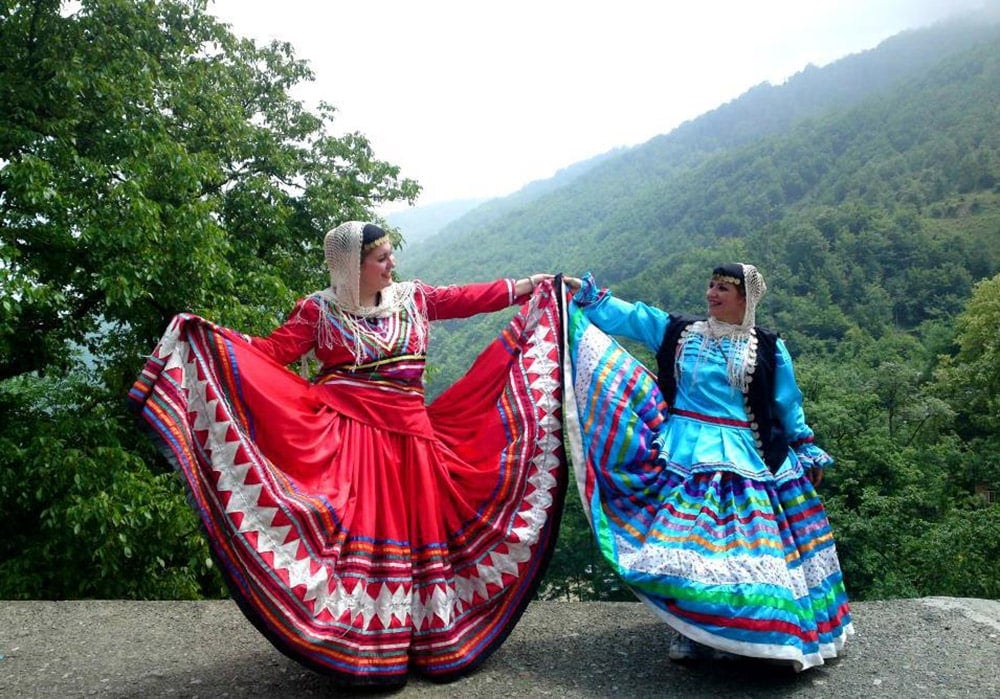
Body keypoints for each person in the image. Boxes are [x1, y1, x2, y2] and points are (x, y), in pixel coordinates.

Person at [129, 221, 567, 688]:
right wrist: (216, 345)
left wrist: (527, 288)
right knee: (357, 537)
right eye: (381, 259)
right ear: (351, 268)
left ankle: (427, 641)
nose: (391, 264)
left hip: (413, 441)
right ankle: (365, 650)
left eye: (390, 255)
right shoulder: (318, 311)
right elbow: (273, 353)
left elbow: (463, 298)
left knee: (421, 537)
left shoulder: (414, 298)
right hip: (350, 442)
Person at [560, 264, 853, 671]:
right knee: (684, 547)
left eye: (723, 289)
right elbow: (632, 317)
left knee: (734, 553)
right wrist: (588, 297)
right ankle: (692, 630)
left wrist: (803, 444)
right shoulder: (681, 332)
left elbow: (787, 403)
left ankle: (741, 635)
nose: (712, 294)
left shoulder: (768, 348)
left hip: (747, 459)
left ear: (746, 300)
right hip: (683, 454)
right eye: (712, 285)